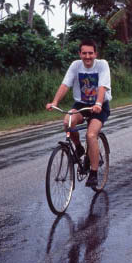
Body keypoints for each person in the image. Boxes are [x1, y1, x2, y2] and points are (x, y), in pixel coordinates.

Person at [46, 40, 112, 188]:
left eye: (90, 53)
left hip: (100, 105)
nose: (87, 56)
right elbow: (65, 85)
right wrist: (55, 102)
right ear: (79, 54)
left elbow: (102, 87)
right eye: (84, 53)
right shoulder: (76, 65)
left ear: (95, 54)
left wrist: (98, 104)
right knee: (67, 122)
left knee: (91, 135)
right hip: (81, 104)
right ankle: (79, 147)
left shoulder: (102, 65)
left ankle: (94, 173)